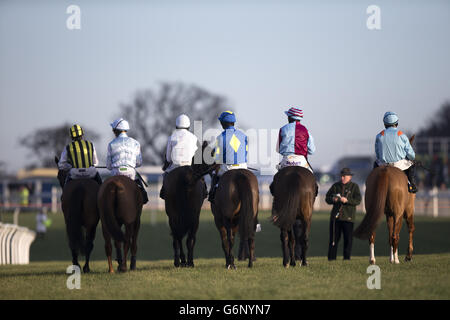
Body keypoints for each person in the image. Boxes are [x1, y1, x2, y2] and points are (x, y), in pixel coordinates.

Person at [270, 107, 318, 196]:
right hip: (302, 161)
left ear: (289, 117)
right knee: (314, 184)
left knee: (274, 184)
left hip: (287, 160)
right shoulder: (306, 130)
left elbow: (278, 149)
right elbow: (312, 151)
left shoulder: (283, 129)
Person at [159, 114, 206, 200]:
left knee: (165, 175)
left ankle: (163, 192)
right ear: (188, 126)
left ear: (176, 125)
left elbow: (169, 158)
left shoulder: (172, 137)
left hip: (175, 167)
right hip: (189, 166)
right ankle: (204, 192)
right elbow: (197, 156)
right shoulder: (194, 137)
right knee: (201, 178)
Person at [208, 111, 248, 203]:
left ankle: (212, 194)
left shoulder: (221, 137)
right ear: (233, 122)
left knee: (215, 173)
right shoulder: (243, 135)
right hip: (243, 166)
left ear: (222, 123)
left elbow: (218, 159)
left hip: (227, 168)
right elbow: (245, 153)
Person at [106, 118, 148, 204]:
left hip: (116, 172)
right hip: (130, 173)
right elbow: (139, 163)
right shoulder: (136, 143)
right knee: (142, 192)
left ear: (115, 130)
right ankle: (143, 198)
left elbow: (109, 166)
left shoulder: (111, 144)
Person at [374, 111, 417, 193]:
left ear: (384, 124)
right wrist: (410, 158)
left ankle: (373, 187)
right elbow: (412, 156)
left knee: (375, 164)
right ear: (396, 123)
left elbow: (378, 154)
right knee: (412, 164)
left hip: (383, 165)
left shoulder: (379, 136)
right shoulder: (402, 135)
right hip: (399, 165)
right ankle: (412, 184)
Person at [325, 168, 362, 261]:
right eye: (341, 176)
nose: (342, 178)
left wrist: (348, 201)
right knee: (333, 240)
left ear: (349, 177)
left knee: (348, 240)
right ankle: (331, 259)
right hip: (335, 219)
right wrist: (334, 199)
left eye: (344, 176)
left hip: (348, 218)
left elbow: (358, 200)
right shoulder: (335, 186)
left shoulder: (354, 187)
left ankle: (346, 258)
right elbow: (327, 198)